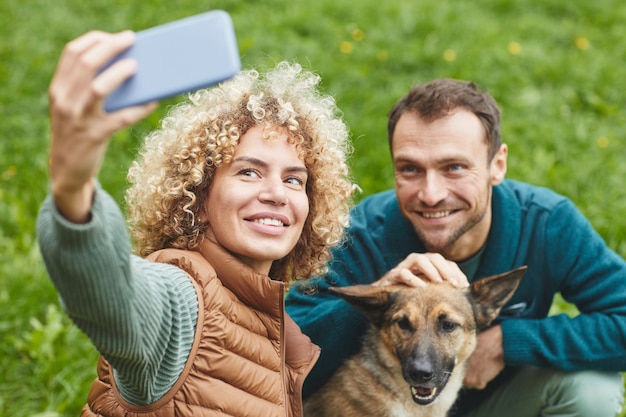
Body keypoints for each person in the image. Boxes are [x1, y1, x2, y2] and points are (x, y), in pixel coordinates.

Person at [37, 30, 355, 417]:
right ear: (198, 198)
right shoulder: (182, 297)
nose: (277, 193)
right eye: (249, 173)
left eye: (294, 179)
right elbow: (106, 289)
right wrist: (72, 187)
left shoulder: (275, 326)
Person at [286, 78, 626, 416]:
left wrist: (509, 341)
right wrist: (374, 297)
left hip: (494, 404)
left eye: (455, 168)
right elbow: (278, 357)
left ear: (498, 165)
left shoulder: (548, 224)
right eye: (410, 169)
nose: (431, 194)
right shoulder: (357, 234)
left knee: (592, 391)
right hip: (384, 406)